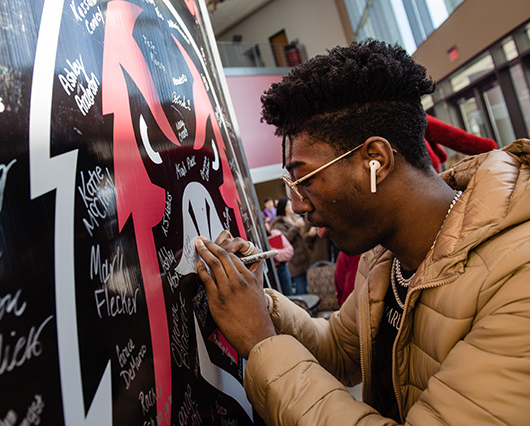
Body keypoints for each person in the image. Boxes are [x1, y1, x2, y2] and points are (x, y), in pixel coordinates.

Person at [195, 39, 530, 425]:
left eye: (305, 180)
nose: (300, 205)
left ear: (376, 161)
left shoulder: (515, 277)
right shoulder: (384, 257)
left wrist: (261, 344)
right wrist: (260, 305)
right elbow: (339, 350)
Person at [270, 197, 311, 294]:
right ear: (283, 207)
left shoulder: (295, 218)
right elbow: (285, 239)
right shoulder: (278, 224)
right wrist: (296, 226)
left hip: (304, 255)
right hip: (294, 258)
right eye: (289, 204)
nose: (292, 206)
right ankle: (300, 307)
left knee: (305, 285)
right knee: (300, 287)